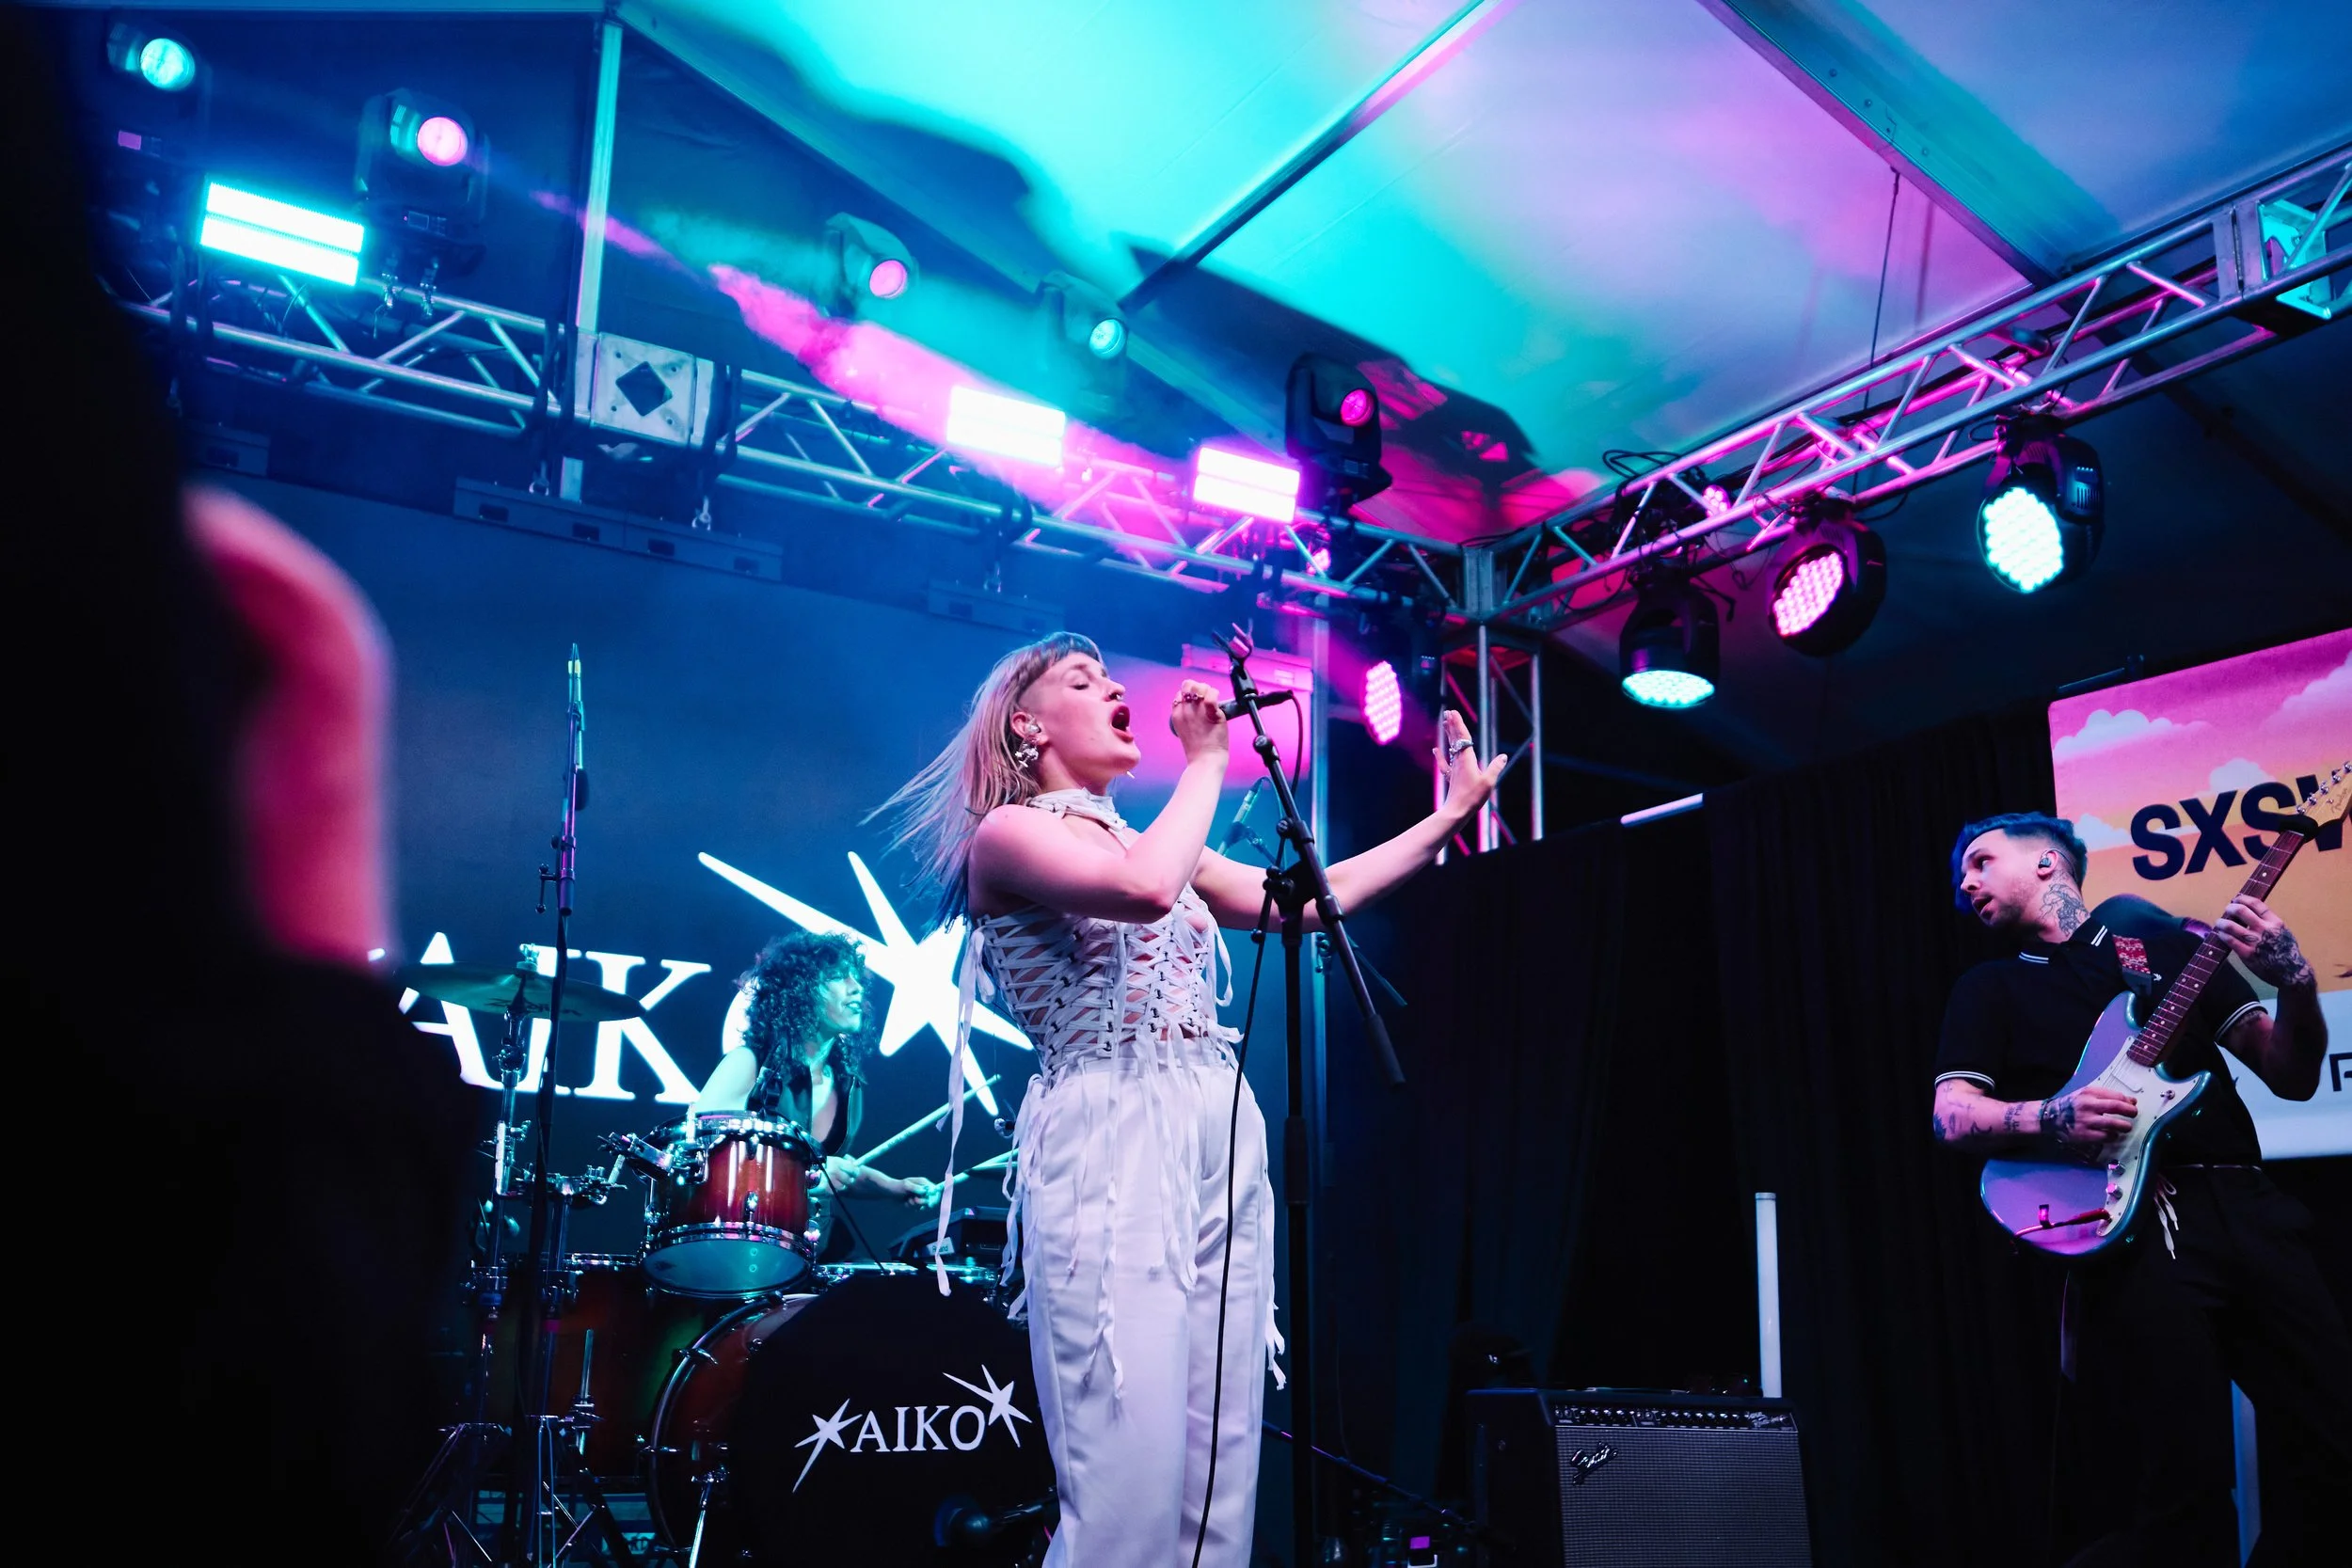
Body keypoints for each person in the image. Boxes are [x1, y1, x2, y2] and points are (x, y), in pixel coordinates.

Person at [878, 632, 1504, 1568]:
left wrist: (1449, 813)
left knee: (1217, 1477)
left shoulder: (1144, 837)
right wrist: (1207, 761)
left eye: (1110, 676)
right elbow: (1139, 890)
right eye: (1083, 682)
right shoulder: (1008, 834)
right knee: (1127, 1478)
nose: (1115, 691)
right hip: (1108, 1128)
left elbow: (1301, 901)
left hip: (1213, 1121)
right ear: (1027, 725)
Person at [1929, 812, 2349, 1566]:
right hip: (2137, 1224)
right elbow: (1953, 1113)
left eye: (1982, 861)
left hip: (2247, 1203)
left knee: (2335, 1430)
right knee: (2181, 1481)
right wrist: (2052, 1113)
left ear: (2049, 862)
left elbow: (2291, 1073)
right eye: (1963, 874)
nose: (1966, 883)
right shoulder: (1989, 986)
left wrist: (2298, 984)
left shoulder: (2163, 947)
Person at [691, 931, 938, 1233]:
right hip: (744, 1242)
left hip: (808, 1248)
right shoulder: (749, 1063)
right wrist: (804, 1178)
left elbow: (832, 1169)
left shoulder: (847, 1084)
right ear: (799, 992)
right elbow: (699, 1156)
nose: (856, 987)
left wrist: (895, 1187)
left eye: (855, 977)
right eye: (837, 978)